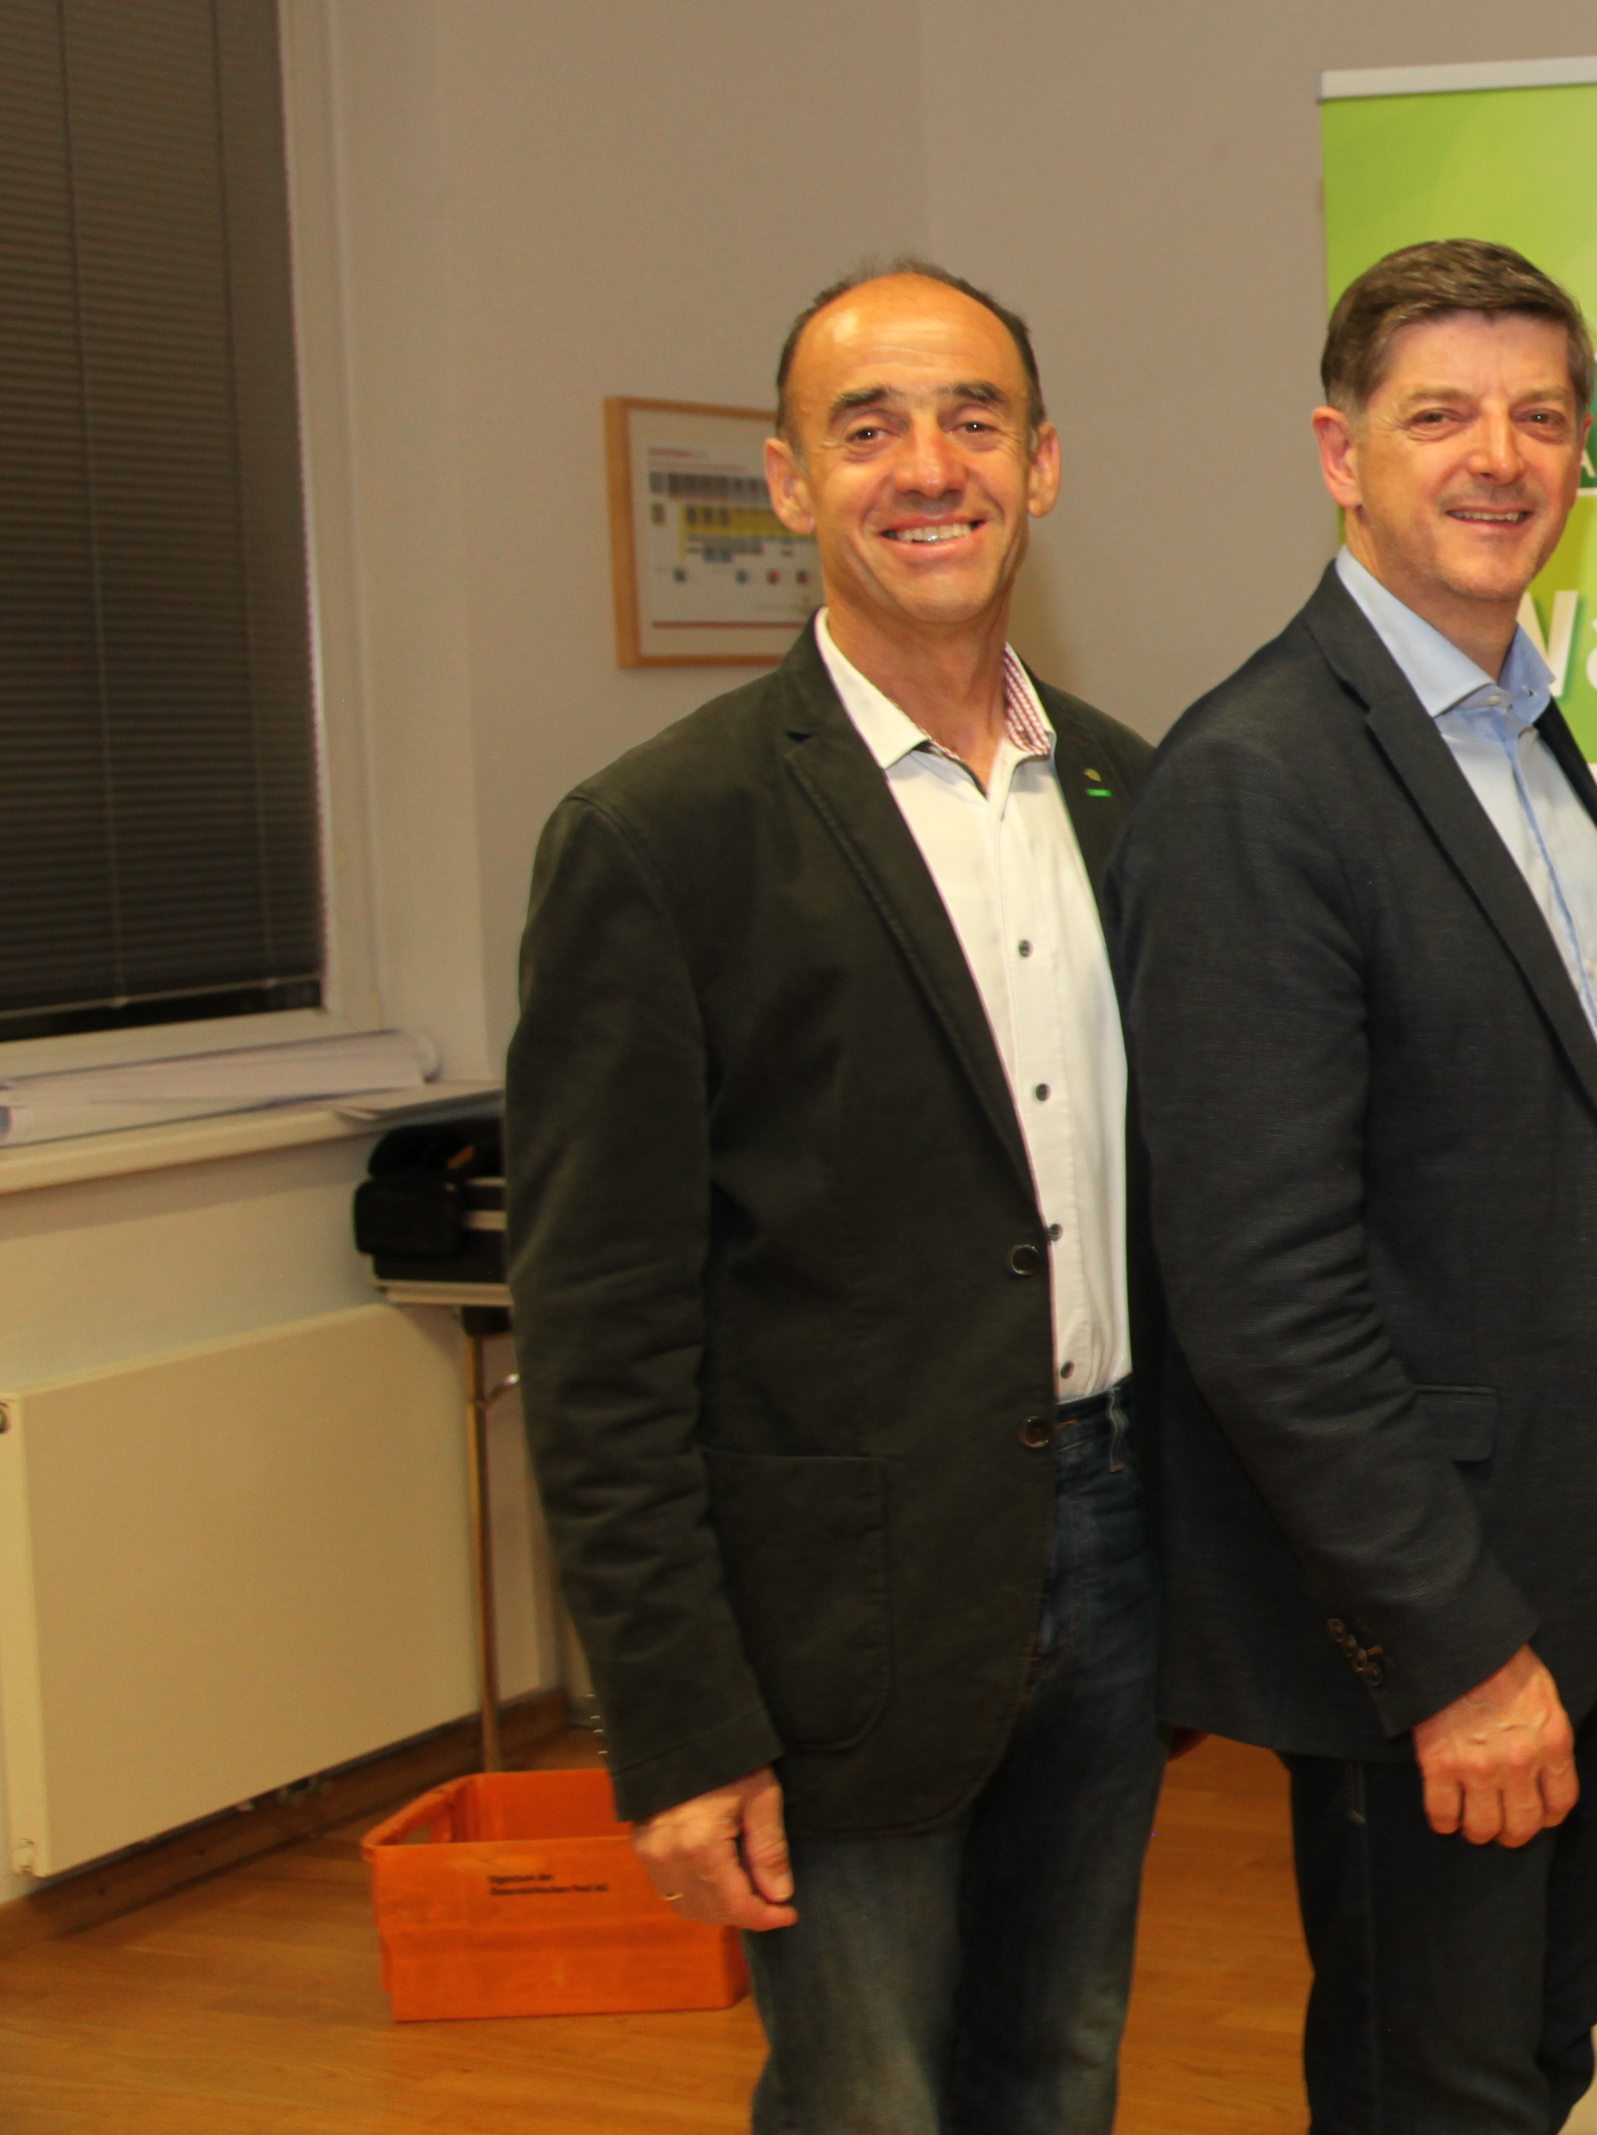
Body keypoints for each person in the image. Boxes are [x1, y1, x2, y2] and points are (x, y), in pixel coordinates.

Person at [508, 261, 1164, 2130]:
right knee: (870, 2097)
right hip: (836, 1607)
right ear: (792, 483)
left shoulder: (1130, 791)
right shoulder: (660, 836)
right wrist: (678, 1726)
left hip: (1120, 1549)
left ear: (1043, 465)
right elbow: (601, 1336)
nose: (927, 466)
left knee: (1058, 2072)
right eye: (867, 428)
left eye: (973, 418)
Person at [1114, 237, 1597, 2133]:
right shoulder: (1258, 778)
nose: (1500, 458)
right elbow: (1263, 1293)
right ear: (1340, 452)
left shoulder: (1521, 733)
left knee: (1530, 2060)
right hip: (1447, 1585)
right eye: (1442, 417)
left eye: (1541, 417)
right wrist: (1451, 1648)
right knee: (1440, 2085)